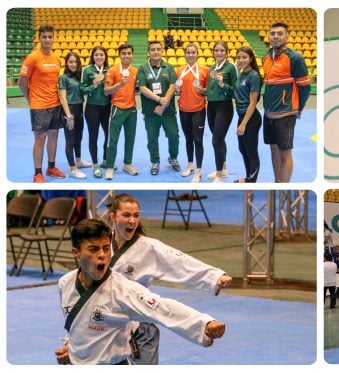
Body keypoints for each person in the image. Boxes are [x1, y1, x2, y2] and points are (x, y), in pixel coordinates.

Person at [54, 219, 225, 365]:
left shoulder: (123, 290)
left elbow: (162, 308)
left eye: (106, 248)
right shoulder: (65, 283)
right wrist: (71, 347)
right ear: (76, 253)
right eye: (93, 249)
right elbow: (78, 325)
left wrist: (204, 323)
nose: (102, 255)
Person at [105, 193, 232, 364]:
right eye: (126, 215)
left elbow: (180, 262)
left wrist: (214, 276)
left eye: (136, 215)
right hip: (106, 323)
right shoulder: (101, 245)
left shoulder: (148, 246)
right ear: (112, 216)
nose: (132, 221)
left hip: (140, 322)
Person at [262, 22, 311, 183]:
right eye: (273, 33)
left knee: (285, 152)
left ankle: (284, 186)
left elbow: (304, 87)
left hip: (286, 112)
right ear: (268, 36)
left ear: (287, 37)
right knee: (274, 150)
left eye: (280, 33)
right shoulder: (266, 57)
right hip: (269, 112)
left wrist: (299, 108)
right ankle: (278, 183)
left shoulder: (294, 57)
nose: (275, 36)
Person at [18, 24, 65, 183]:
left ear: (53, 38)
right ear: (39, 38)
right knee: (40, 138)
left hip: (55, 103)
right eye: (44, 37)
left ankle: (51, 167)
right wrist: (30, 99)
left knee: (54, 136)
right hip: (39, 105)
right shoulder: (32, 58)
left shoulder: (57, 58)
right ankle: (38, 172)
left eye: (50, 37)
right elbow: (21, 82)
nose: (47, 39)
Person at [137, 40, 180, 176]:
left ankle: (173, 158)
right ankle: (155, 161)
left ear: (162, 51)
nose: (156, 52)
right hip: (151, 112)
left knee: (174, 135)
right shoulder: (142, 69)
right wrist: (159, 100)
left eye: (158, 49)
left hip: (168, 112)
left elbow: (173, 86)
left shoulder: (169, 68)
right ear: (148, 52)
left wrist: (163, 104)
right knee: (152, 138)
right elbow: (142, 88)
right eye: (153, 49)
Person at [103, 43, 138, 180]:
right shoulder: (112, 71)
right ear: (119, 55)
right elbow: (106, 91)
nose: (126, 56)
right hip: (117, 108)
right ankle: (110, 166)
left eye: (129, 53)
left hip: (132, 109)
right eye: (124, 53)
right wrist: (120, 84)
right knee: (113, 140)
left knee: (130, 139)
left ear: (132, 54)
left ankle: (127, 164)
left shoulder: (135, 71)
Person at [175, 43, 209, 183]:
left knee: (198, 140)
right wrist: (177, 90)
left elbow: (209, 90)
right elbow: (177, 90)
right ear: (185, 54)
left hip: (198, 110)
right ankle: (190, 165)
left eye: (193, 52)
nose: (190, 55)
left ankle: (199, 170)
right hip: (183, 110)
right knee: (188, 139)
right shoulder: (179, 70)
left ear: (197, 54)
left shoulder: (204, 70)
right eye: (188, 52)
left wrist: (202, 90)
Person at [205, 40, 237, 183]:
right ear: (213, 52)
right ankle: (223, 168)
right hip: (211, 107)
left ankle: (219, 175)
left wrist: (222, 84)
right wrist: (202, 91)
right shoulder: (212, 68)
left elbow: (236, 91)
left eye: (222, 50)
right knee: (219, 138)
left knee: (216, 140)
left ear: (227, 52)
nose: (219, 53)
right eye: (216, 50)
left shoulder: (231, 68)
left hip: (224, 107)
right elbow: (211, 90)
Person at [81, 45, 112, 178]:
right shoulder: (87, 70)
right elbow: (82, 89)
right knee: (94, 137)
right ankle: (96, 165)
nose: (99, 57)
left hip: (107, 107)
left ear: (105, 56)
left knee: (109, 135)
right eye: (97, 55)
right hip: (92, 109)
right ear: (93, 56)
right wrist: (94, 84)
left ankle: (105, 160)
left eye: (101, 54)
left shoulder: (110, 70)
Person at [232, 46, 263, 183]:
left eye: (244, 57)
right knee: (243, 148)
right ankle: (248, 177)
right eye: (238, 57)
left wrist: (244, 123)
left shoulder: (254, 76)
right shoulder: (241, 74)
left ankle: (252, 181)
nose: (241, 60)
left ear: (250, 59)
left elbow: (253, 103)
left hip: (251, 118)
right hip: (241, 116)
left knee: (251, 150)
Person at [58, 51, 89, 179]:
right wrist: (68, 115)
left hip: (79, 109)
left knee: (79, 137)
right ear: (66, 63)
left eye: (75, 62)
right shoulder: (63, 78)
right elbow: (62, 97)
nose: (73, 64)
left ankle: (79, 160)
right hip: (69, 110)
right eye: (70, 61)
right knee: (70, 140)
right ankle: (73, 168)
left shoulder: (79, 76)